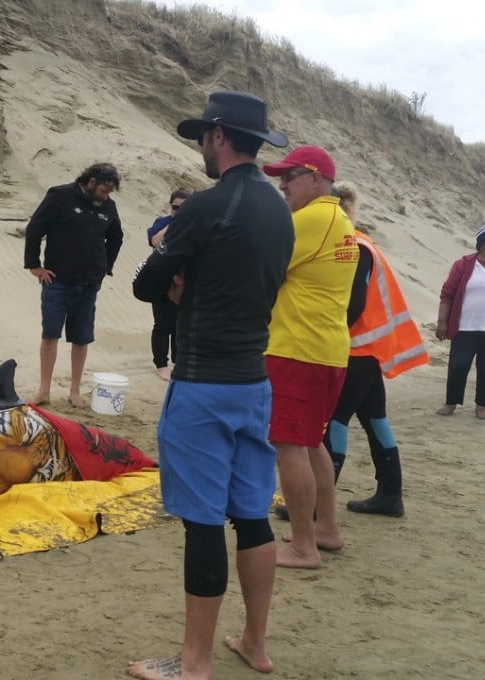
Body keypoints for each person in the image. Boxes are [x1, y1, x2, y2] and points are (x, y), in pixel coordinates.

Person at [129, 90, 294, 680]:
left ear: (219, 136)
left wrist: (178, 277)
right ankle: (256, 643)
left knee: (203, 521)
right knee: (251, 514)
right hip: (254, 380)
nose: (200, 144)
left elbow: (146, 285)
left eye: (203, 135)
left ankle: (193, 662)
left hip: (202, 384)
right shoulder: (279, 209)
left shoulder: (204, 206)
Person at [274, 184, 428, 521]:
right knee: (375, 419)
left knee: (336, 422)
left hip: (356, 348)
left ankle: (315, 505)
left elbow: (353, 304)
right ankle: (390, 493)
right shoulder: (361, 243)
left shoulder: (352, 246)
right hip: (370, 347)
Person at [261, 146, 358, 569]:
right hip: (326, 348)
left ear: (316, 178)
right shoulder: (339, 220)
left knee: (288, 444)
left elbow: (263, 264)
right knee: (310, 440)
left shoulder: (313, 217)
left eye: (290, 176)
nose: (282, 184)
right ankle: (326, 529)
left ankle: (303, 546)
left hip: (297, 348)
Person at [24, 163, 124, 407]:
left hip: (89, 284)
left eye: (110, 191)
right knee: (50, 334)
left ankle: (74, 392)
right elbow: (35, 228)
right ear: (91, 182)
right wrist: (34, 265)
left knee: (81, 338)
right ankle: (44, 390)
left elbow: (116, 237)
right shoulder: (60, 196)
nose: (106, 195)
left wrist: (105, 268)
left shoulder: (108, 206)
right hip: (57, 280)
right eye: (104, 189)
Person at [435, 226, 485, 419]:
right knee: (458, 364)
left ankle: (482, 406)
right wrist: (442, 321)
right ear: (482, 244)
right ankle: (451, 403)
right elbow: (447, 294)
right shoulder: (463, 265)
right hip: (464, 326)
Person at [145, 188, 190, 381]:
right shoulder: (163, 223)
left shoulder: (194, 225)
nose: (178, 210)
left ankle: (178, 363)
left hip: (185, 283)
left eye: (183, 208)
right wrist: (174, 222)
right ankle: (161, 365)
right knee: (162, 324)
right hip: (162, 280)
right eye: (175, 207)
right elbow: (155, 241)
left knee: (181, 326)